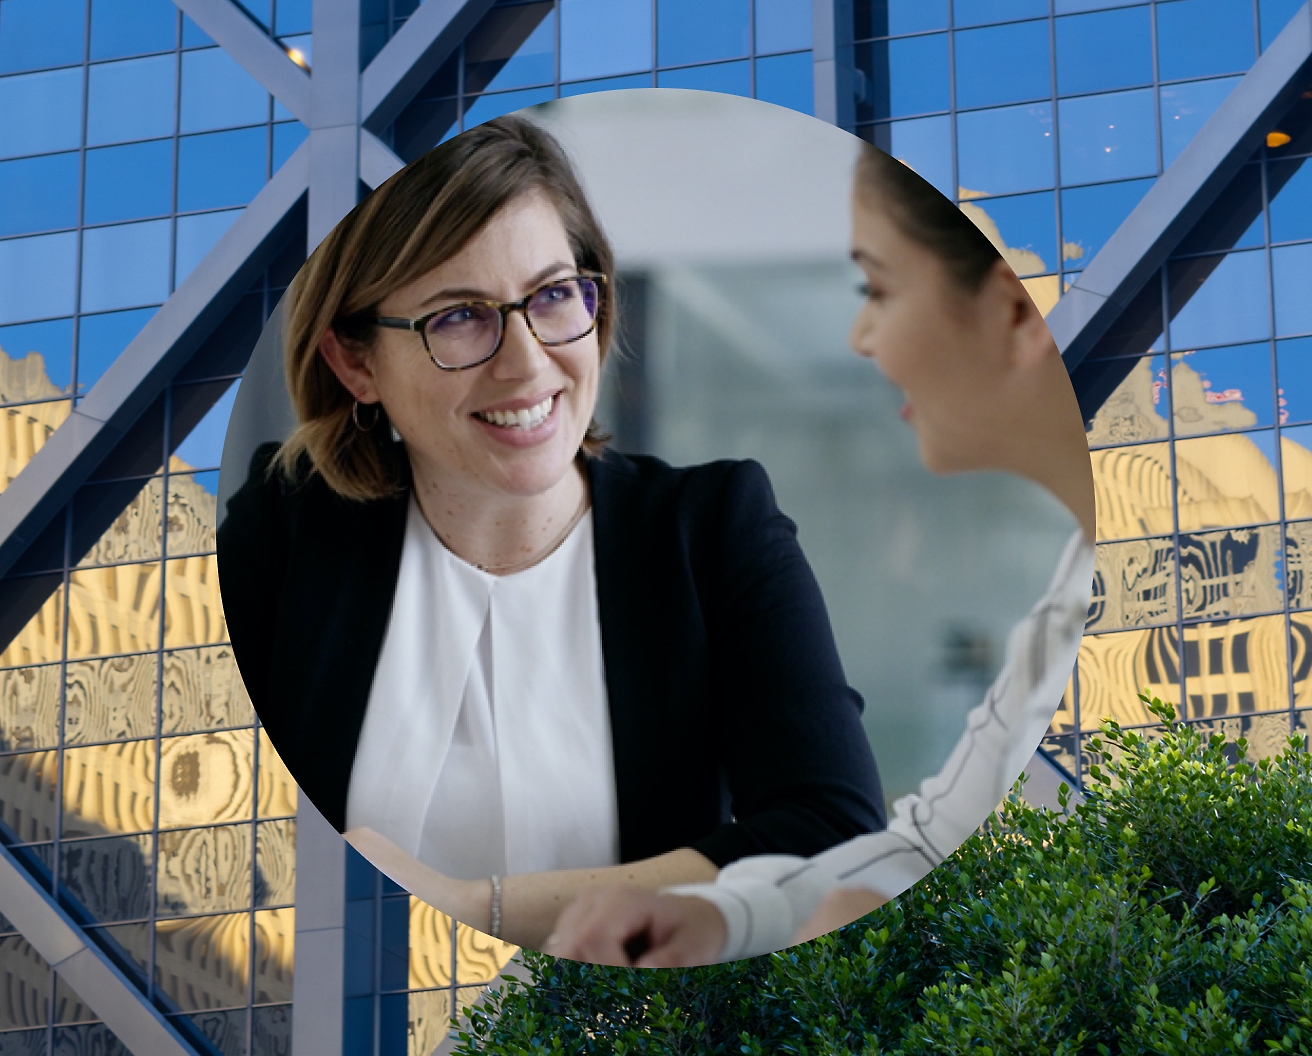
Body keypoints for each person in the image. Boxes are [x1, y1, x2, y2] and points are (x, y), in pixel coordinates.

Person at [216, 116, 886, 950]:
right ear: (356, 365)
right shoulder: (285, 531)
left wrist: (463, 906)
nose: (528, 362)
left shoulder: (713, 529)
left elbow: (835, 836)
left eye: (553, 294)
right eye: (459, 316)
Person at [543, 140, 1097, 966]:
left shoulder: (714, 515)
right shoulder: (1061, 608)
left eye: (876, 288)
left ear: (1016, 311)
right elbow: (929, 836)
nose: (860, 334)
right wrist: (724, 917)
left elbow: (859, 824)